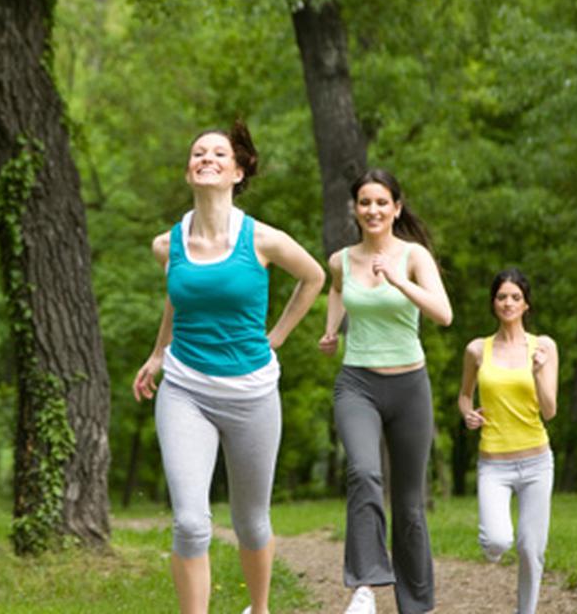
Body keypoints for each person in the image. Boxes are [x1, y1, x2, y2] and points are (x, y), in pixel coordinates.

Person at [133, 121, 326, 614]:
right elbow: (181, 303)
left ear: (237, 172)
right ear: (188, 171)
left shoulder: (262, 239)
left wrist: (277, 336)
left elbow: (314, 277)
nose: (208, 158)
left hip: (253, 393)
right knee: (191, 523)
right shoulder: (167, 245)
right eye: (199, 153)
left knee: (252, 522)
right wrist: (159, 353)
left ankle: (259, 611)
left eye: (219, 153)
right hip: (186, 389)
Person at [317, 169, 453, 614]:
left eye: (381, 202)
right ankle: (364, 587)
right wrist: (331, 328)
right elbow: (337, 290)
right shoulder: (342, 259)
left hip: (410, 386)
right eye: (364, 203)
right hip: (358, 383)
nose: (372, 210)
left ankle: (415, 605)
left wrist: (399, 281)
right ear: (355, 209)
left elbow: (443, 314)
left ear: (396, 207)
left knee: (409, 504)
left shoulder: (414, 256)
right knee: (363, 473)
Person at [457, 269, 558, 614]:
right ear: (493, 303)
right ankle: (494, 546)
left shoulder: (543, 347)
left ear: (526, 304)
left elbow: (550, 410)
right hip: (494, 463)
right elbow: (464, 396)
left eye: (515, 297)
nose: (508, 303)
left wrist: (538, 372)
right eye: (502, 297)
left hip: (536, 462)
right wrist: (468, 414)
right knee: (497, 541)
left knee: (531, 548)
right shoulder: (476, 349)